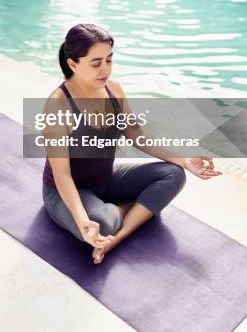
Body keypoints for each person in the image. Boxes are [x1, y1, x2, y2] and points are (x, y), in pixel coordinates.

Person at [42, 23, 222, 264]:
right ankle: (125, 212)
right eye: (96, 63)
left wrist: (183, 159)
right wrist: (83, 219)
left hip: (105, 180)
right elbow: (62, 175)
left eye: (109, 60)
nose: (105, 69)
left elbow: (137, 134)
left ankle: (118, 235)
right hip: (66, 192)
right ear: (73, 64)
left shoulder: (113, 90)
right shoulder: (58, 105)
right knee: (101, 224)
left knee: (173, 174)